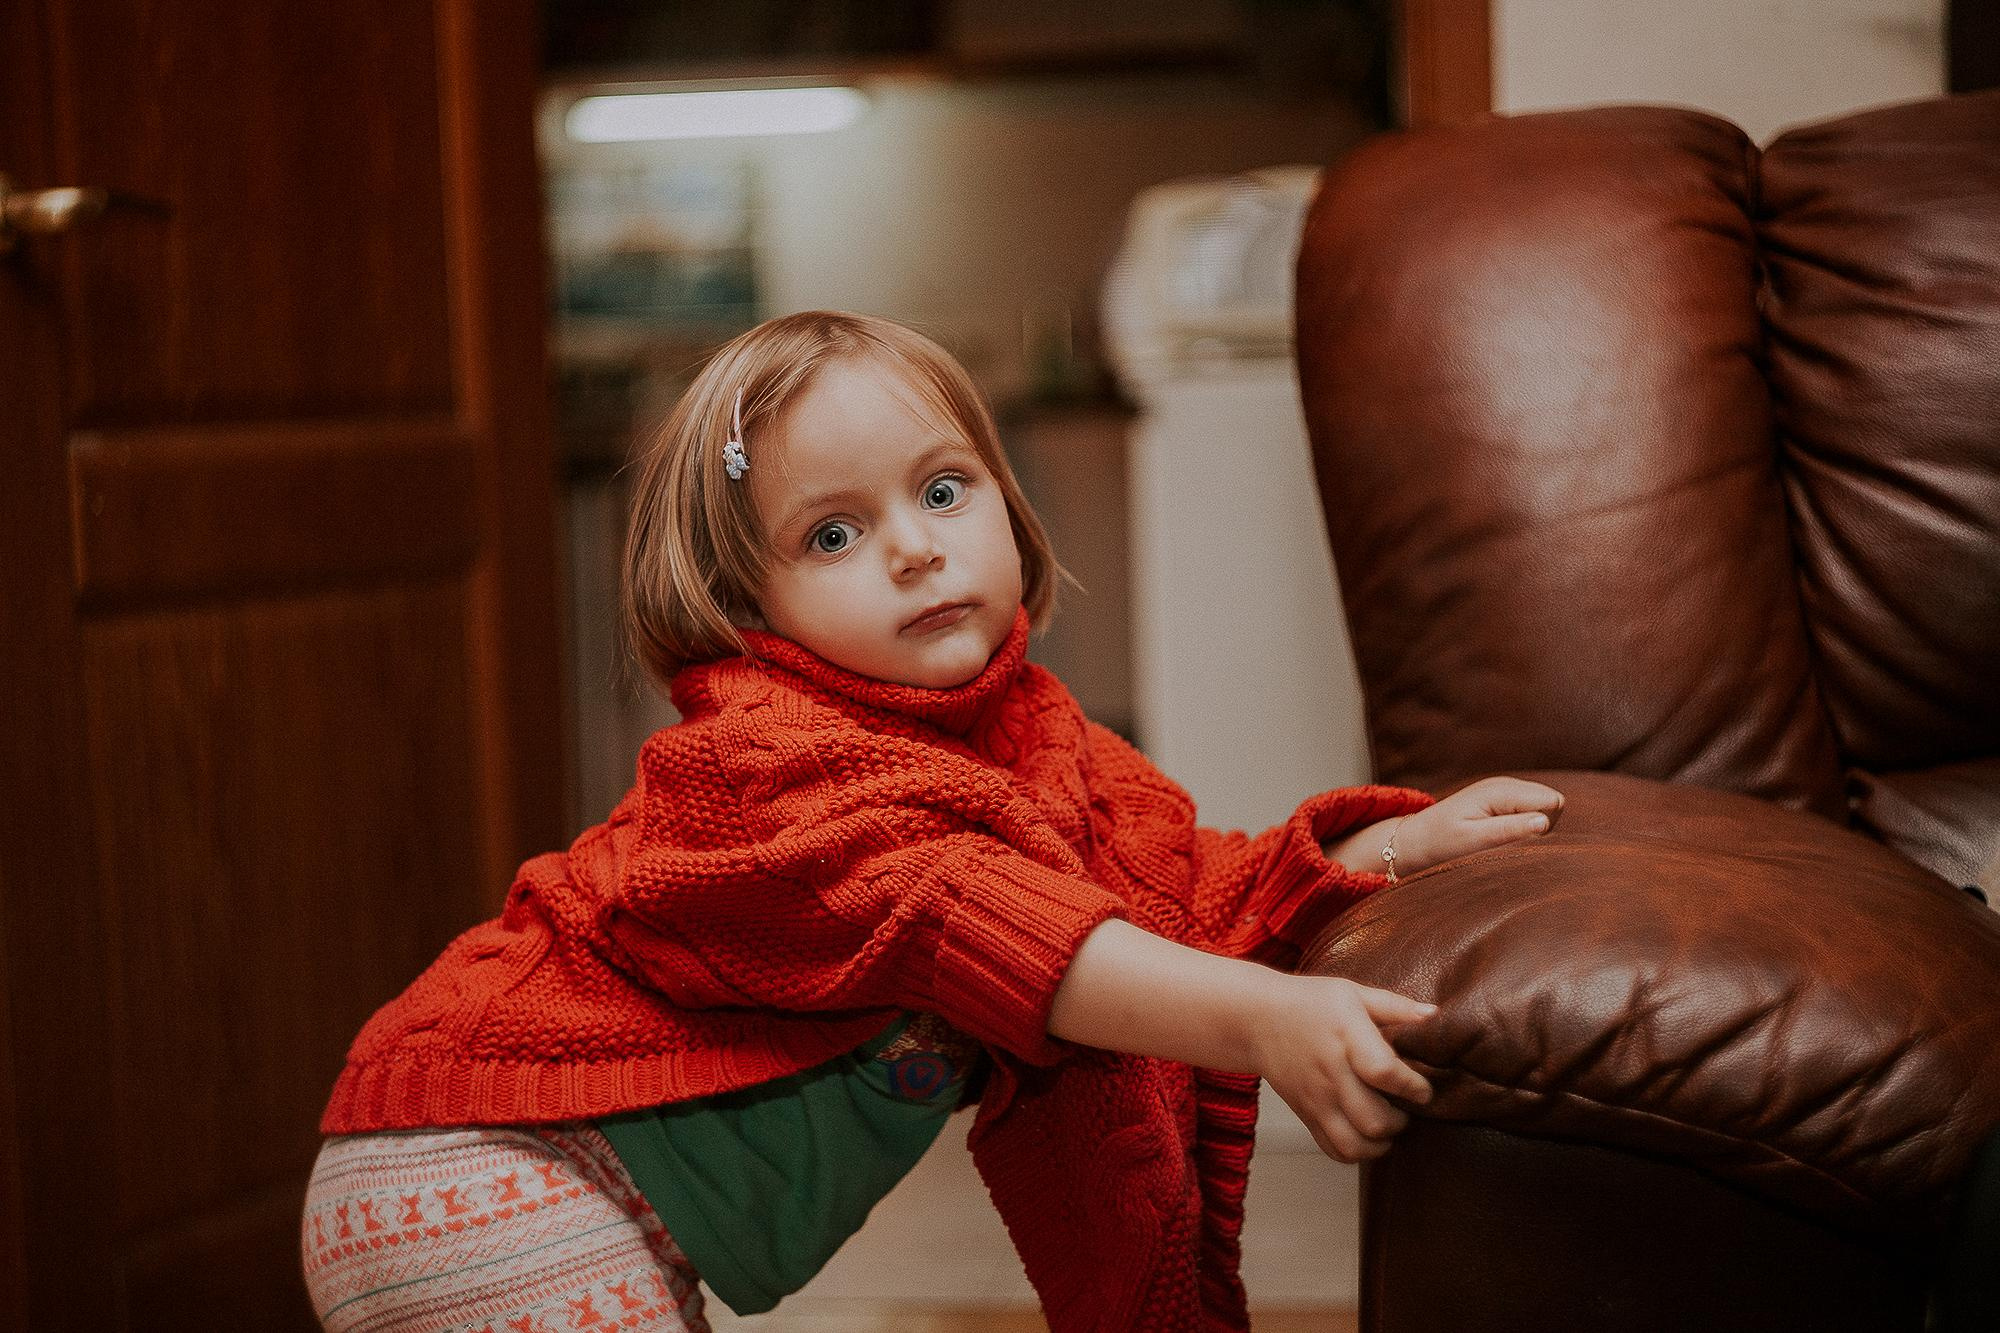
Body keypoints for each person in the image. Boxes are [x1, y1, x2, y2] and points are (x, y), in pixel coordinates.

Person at [301, 311, 1564, 1332]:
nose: (912, 548)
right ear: (746, 603)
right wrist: (1265, 1016)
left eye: (944, 490)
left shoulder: (1033, 741)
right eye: (834, 532)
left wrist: (1385, 849)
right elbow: (1000, 928)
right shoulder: (764, 768)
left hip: (569, 1198)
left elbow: (1183, 890)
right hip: (481, 1173)